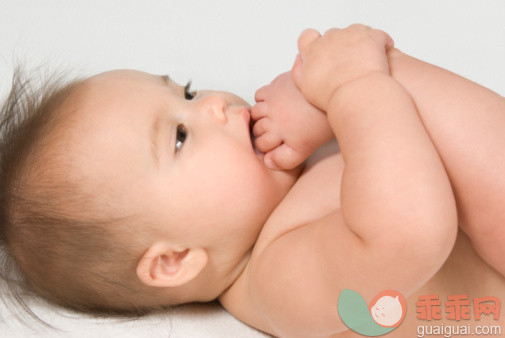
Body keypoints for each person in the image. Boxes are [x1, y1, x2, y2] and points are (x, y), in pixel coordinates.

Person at [0, 25, 503, 337]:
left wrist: (329, 108)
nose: (216, 104)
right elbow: (411, 230)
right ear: (174, 260)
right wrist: (355, 88)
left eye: (189, 94)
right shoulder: (278, 282)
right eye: (179, 136)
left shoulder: (281, 183)